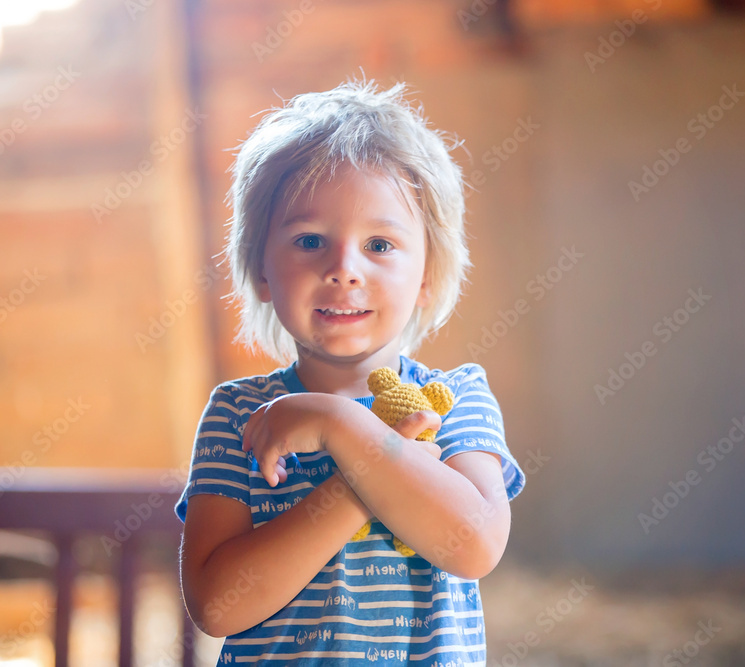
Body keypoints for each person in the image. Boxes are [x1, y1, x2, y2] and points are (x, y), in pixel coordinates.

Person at [175, 78, 526, 666]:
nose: (344, 269)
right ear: (262, 270)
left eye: (381, 245)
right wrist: (360, 474)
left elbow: (474, 545)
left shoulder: (453, 397)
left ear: (428, 276)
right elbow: (216, 606)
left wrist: (340, 427)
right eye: (310, 240)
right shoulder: (239, 416)